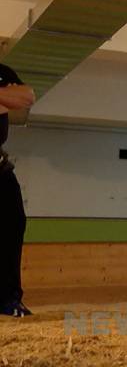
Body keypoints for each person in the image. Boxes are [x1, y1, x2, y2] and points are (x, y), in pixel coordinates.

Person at [0, 63, 34, 318]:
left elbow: (26, 97)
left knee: (13, 226)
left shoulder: (2, 71)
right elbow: (9, 99)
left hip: (0, 169)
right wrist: (3, 96)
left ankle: (9, 299)